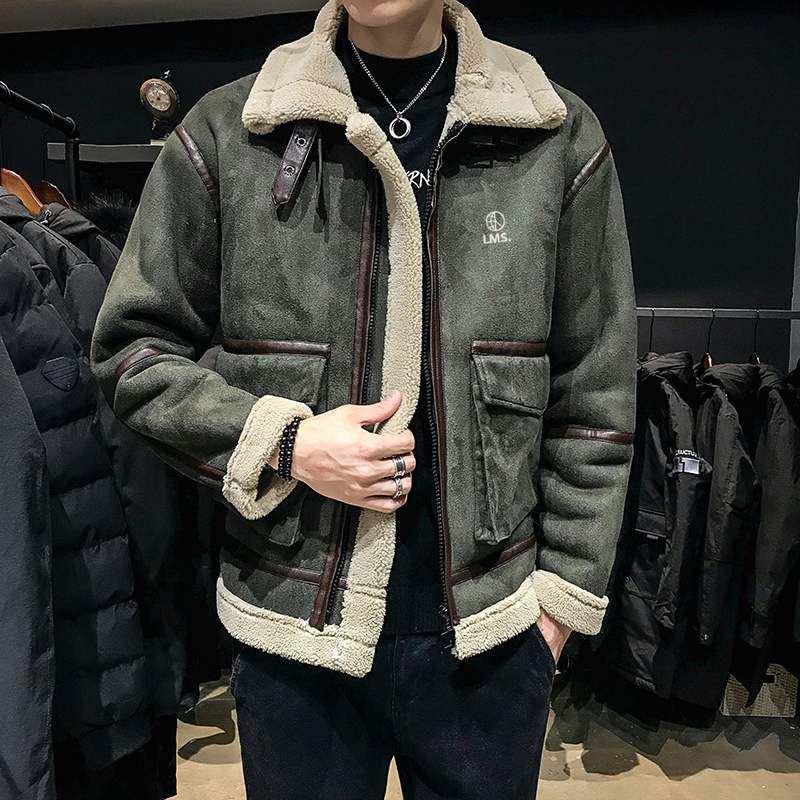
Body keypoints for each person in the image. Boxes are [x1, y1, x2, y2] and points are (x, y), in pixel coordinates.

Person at [90, 0, 638, 797]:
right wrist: (285, 444)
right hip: (293, 637)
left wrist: (558, 607)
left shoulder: (553, 135)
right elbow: (132, 353)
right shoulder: (231, 133)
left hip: (492, 638)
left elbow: (595, 387)